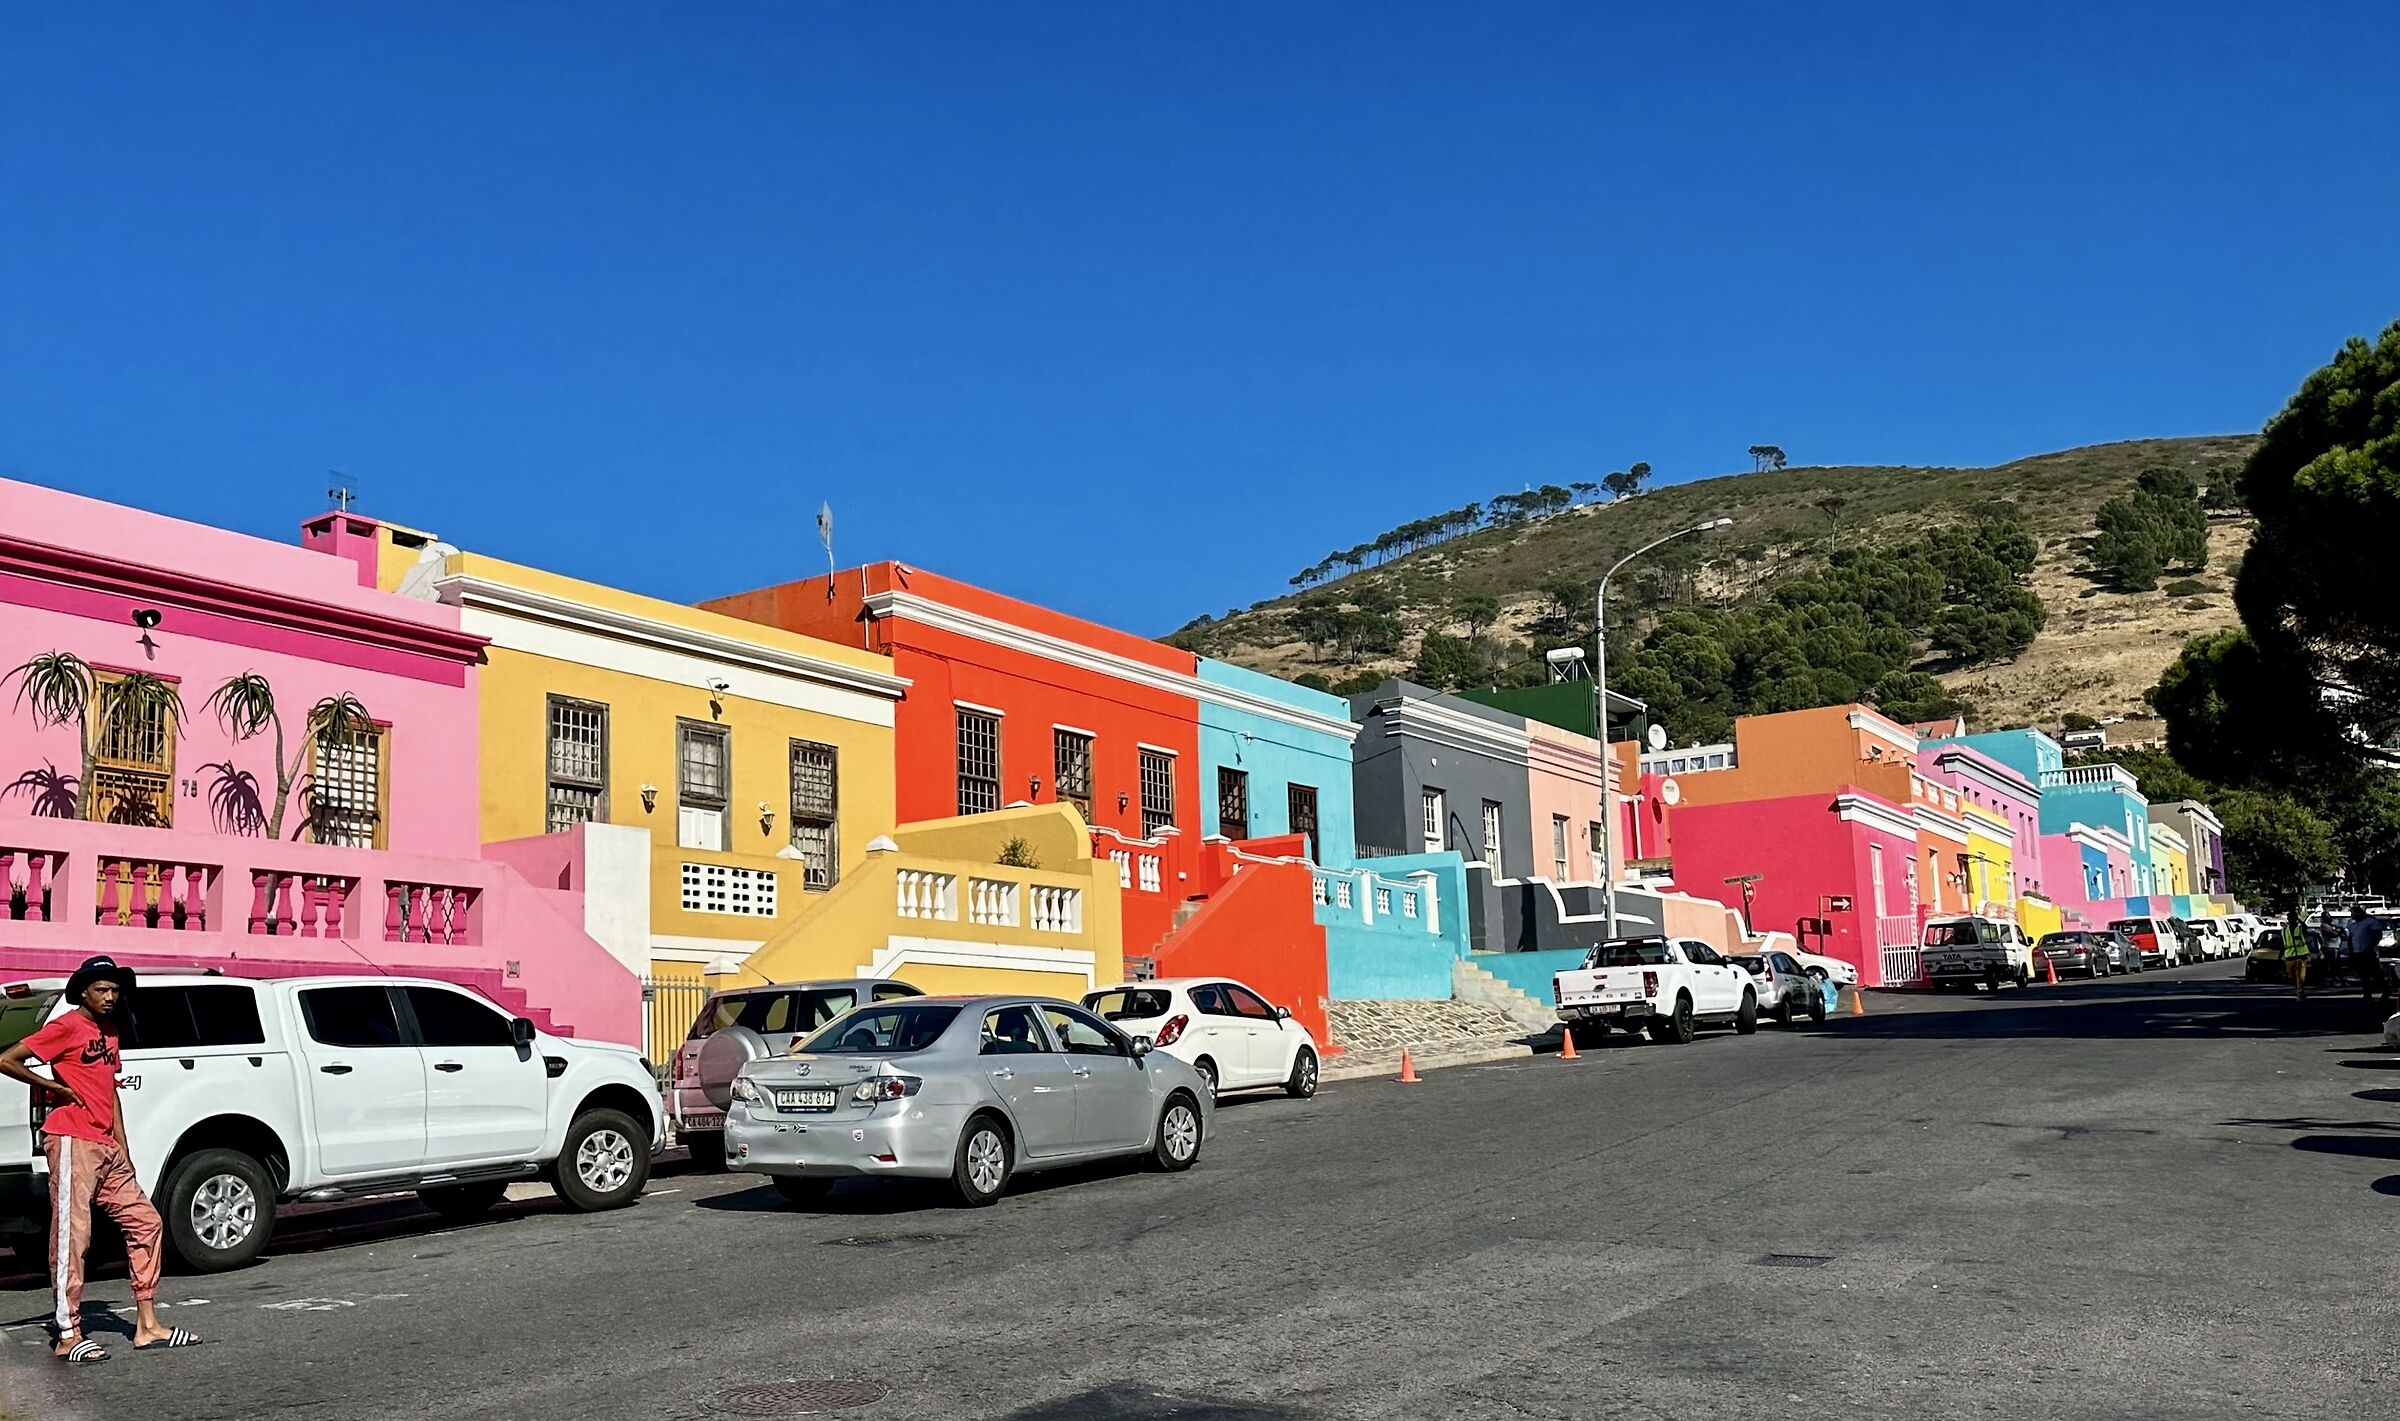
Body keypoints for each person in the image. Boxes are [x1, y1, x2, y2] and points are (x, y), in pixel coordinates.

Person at [0, 956, 199, 1362]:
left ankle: (147, 1326)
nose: (110, 997)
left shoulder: (108, 1031)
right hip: (72, 1139)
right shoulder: (66, 1027)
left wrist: (122, 1146)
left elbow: (109, 1091)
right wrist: (55, 1087)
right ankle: (68, 1334)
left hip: (106, 1145)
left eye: (114, 990)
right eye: (102, 990)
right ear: (83, 993)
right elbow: (6, 1059)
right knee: (73, 1237)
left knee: (147, 1222)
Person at [2348, 905, 2391, 998]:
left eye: (2353, 913)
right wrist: (2351, 951)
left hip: (2368, 952)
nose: (2352, 915)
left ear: (2359, 913)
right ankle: (2367, 994)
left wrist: (2371, 945)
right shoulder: (2352, 925)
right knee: (2363, 975)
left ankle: (2385, 991)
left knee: (2376, 974)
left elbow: (2378, 935)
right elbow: (2351, 938)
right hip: (2357, 952)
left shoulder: (2371, 922)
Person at [2280, 917, 2313, 999]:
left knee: (2300, 977)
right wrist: (2280, 957)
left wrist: (2300, 920)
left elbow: (2305, 927)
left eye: (2293, 918)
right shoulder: (2284, 931)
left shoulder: (2300, 929)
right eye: (2290, 918)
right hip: (2289, 957)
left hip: (2301, 956)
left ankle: (2300, 994)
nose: (2292, 920)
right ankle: (2299, 989)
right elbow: (2283, 944)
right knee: (2292, 977)